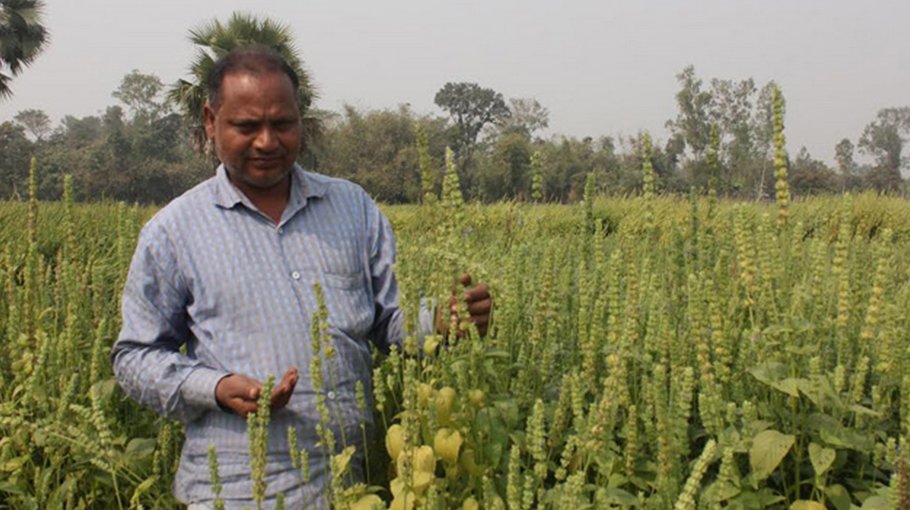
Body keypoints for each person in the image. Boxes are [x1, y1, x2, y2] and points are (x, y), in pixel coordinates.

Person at [110, 45, 491, 509]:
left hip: (350, 485)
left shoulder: (352, 208)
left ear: (301, 119)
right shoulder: (174, 230)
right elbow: (135, 357)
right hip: (238, 490)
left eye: (283, 124)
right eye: (246, 126)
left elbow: (390, 320)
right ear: (210, 121)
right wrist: (216, 387)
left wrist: (440, 322)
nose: (267, 142)